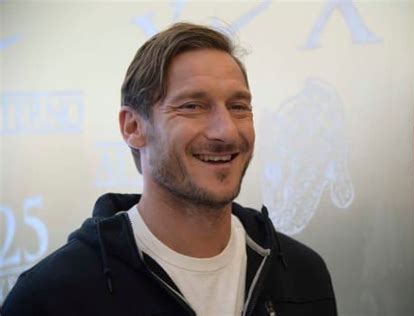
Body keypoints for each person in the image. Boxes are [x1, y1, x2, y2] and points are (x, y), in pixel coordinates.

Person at [2, 23, 337, 315]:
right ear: (133, 126)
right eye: (193, 106)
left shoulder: (303, 274)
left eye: (238, 107)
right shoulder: (52, 297)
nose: (227, 131)